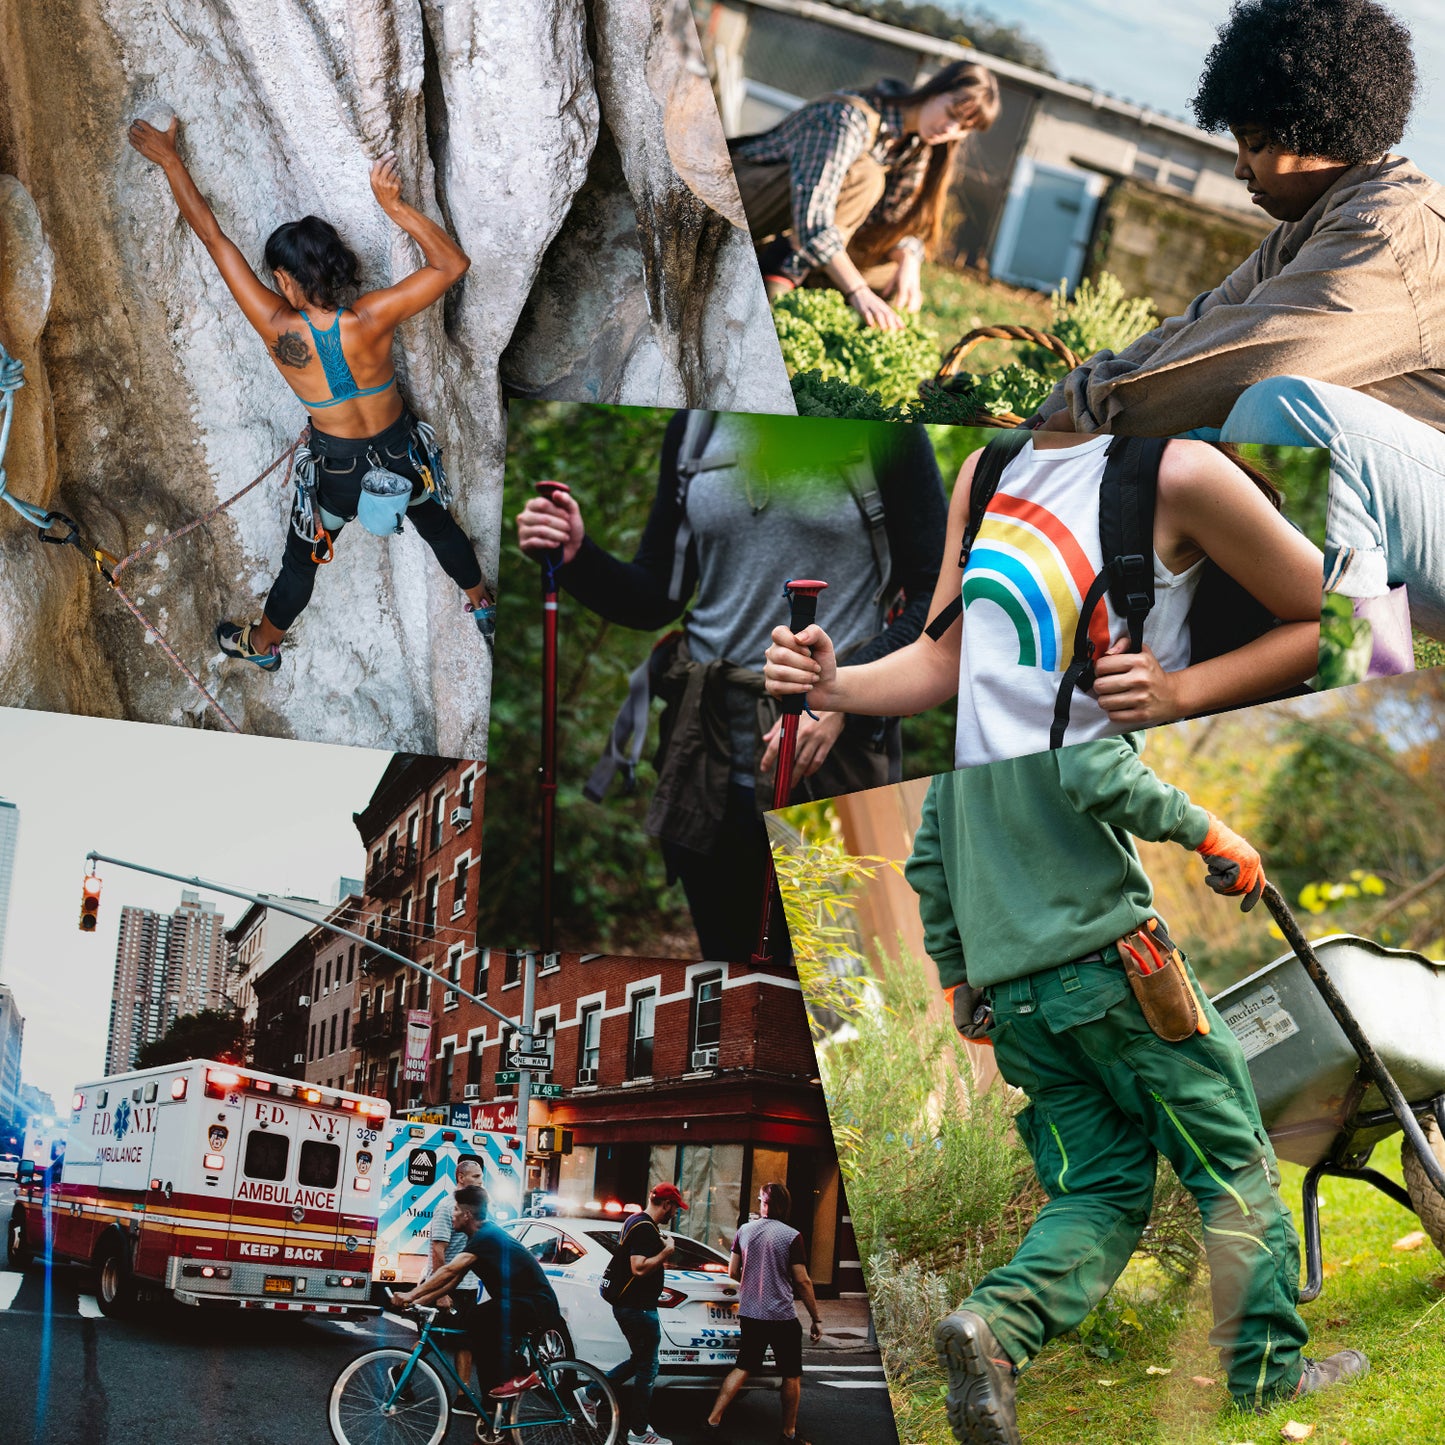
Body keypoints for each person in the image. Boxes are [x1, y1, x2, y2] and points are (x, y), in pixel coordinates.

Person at [905, 738, 1367, 1442]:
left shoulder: (961, 741)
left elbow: (929, 865)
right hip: (1116, 977)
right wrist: (1213, 834)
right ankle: (1273, 1371)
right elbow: (1098, 772)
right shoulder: (1064, 668)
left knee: (1095, 1192)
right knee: (1230, 1168)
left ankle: (993, 1328)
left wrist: (957, 981)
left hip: (1017, 1010)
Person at [1030, 0, 1445, 635]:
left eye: (1256, 143)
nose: (1239, 166)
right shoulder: (1314, 226)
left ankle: (1357, 656)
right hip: (1416, 500)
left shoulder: (1386, 230)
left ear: (1324, 130)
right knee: (1194, 435)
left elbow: (1252, 357)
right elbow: (1202, 329)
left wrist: (1091, 420)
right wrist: (1070, 401)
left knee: (1277, 408)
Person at [516, 411, 946, 961]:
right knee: (727, 969)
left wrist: (848, 703)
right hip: (703, 741)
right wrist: (579, 557)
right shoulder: (695, 426)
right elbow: (658, 592)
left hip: (829, 745)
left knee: (845, 979)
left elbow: (935, 602)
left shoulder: (879, 427)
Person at [126, 115, 496, 668]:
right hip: (400, 452)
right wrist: (393, 208)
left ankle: (262, 644)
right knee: (437, 523)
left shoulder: (276, 326)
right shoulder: (372, 316)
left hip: (338, 472)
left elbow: (211, 235)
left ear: (283, 277)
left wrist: (171, 161)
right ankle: (482, 605)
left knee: (301, 563)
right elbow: (453, 263)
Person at [763, 432, 1321, 767]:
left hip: (1103, 810)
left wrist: (1179, 692)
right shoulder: (984, 471)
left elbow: (1329, 625)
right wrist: (833, 686)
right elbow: (941, 658)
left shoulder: (1179, 472)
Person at [729, 62, 1000, 328]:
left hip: (794, 229)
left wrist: (909, 258)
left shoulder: (915, 143)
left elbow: (890, 220)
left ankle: (813, 300)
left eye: (963, 128)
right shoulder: (847, 117)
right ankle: (775, 276)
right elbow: (812, 220)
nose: (949, 130)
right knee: (867, 177)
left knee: (889, 277)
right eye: (952, 113)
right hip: (737, 204)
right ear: (934, 90)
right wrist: (857, 290)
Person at [393, 1184, 564, 1400]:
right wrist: (424, 1300)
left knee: (476, 1318)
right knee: (479, 1339)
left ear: (466, 1215)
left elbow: (449, 1270)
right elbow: (454, 1279)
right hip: (521, 1303)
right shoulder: (479, 1237)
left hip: (534, 1304)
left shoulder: (487, 1236)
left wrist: (410, 1295)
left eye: (455, 1210)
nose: (452, 1214)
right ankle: (493, 1413)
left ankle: (521, 1373)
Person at [705, 1182, 823, 1444]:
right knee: (791, 1373)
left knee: (743, 1366)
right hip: (781, 1315)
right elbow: (802, 1280)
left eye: (760, 1200)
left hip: (750, 1312)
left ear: (764, 1203)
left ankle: (713, 1420)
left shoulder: (744, 1231)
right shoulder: (791, 1236)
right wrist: (816, 1318)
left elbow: (732, 1272)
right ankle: (788, 1432)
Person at [583, 1182, 688, 1445]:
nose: (674, 1213)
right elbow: (638, 1268)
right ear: (666, 1204)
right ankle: (638, 1431)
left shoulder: (635, 1221)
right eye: (675, 1208)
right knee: (648, 1367)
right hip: (638, 1308)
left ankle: (591, 1393)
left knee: (641, 1361)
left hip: (632, 1306)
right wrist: (666, 1251)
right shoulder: (645, 1229)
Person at [426, 1155, 485, 1416]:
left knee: (467, 1341)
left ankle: (463, 1396)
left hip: (468, 1285)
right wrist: (442, 1293)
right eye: (476, 1176)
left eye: (481, 1176)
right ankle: (401, 1372)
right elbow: (438, 1250)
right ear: (461, 1178)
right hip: (446, 1286)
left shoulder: (475, 1206)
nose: (481, 1181)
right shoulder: (446, 1207)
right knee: (433, 1341)